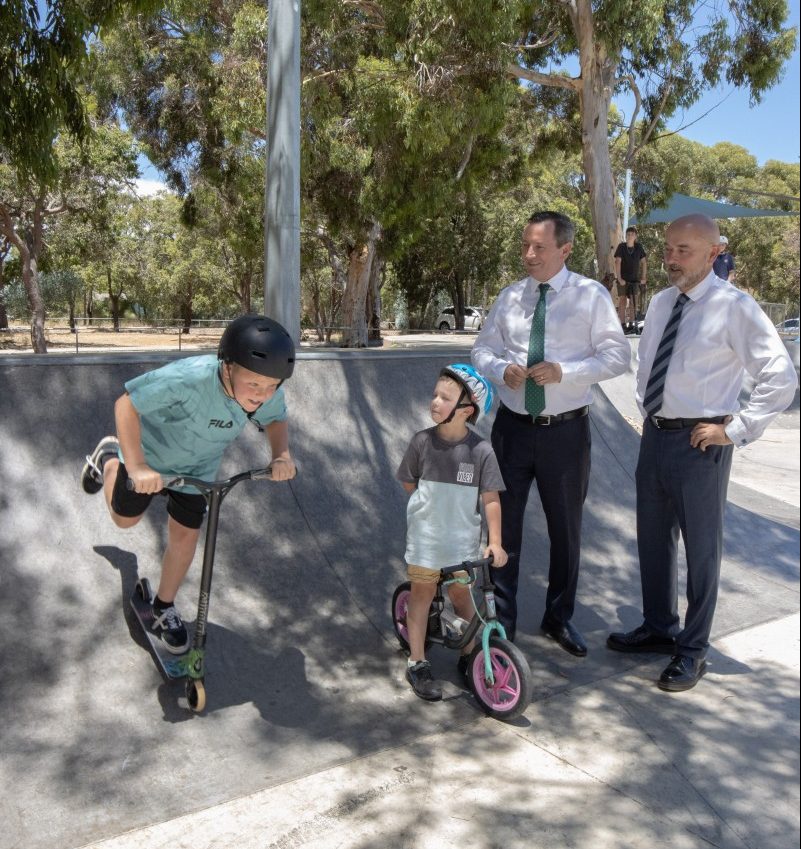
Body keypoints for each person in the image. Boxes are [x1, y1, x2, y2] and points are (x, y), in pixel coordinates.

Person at [607, 214, 797, 691]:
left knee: (702, 552)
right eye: (668, 249)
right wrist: (649, 410)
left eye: (684, 250)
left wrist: (737, 429)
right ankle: (658, 627)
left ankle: (692, 650)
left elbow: (781, 377)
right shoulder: (662, 300)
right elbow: (647, 364)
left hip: (701, 444)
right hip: (654, 436)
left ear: (714, 254)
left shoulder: (736, 308)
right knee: (652, 540)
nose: (671, 258)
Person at [80, 314, 297, 654]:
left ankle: (164, 606)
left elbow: (276, 418)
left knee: (185, 537)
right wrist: (134, 465)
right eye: (254, 385)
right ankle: (108, 461)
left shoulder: (267, 394)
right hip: (148, 459)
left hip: (197, 469)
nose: (262, 395)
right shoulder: (189, 379)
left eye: (271, 387)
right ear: (227, 367)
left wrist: (281, 455)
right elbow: (125, 405)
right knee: (123, 520)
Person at [472, 210, 629, 655]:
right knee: (503, 530)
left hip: (566, 434)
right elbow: (481, 348)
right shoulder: (510, 297)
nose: (528, 254)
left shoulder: (591, 296)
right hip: (512, 432)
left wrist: (566, 371)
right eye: (524, 244)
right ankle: (501, 624)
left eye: (539, 246)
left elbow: (617, 357)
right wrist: (501, 369)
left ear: (565, 249)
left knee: (566, 530)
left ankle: (559, 618)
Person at [396, 364, 508, 701]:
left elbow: (490, 499)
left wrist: (496, 542)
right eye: (435, 394)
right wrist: (427, 508)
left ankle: (469, 654)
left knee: (463, 597)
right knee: (422, 595)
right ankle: (417, 660)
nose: (435, 401)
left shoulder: (481, 451)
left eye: (445, 398)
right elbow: (407, 481)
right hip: (426, 541)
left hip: (462, 543)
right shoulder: (421, 442)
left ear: (466, 410)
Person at [614, 226, 648, 334]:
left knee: (634, 302)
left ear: (635, 236)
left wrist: (643, 277)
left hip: (634, 280)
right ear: (625, 235)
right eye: (628, 234)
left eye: (632, 234)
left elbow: (644, 262)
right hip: (623, 280)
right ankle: (622, 325)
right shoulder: (621, 247)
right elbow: (617, 262)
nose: (630, 236)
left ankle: (633, 324)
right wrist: (619, 278)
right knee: (623, 301)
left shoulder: (638, 247)